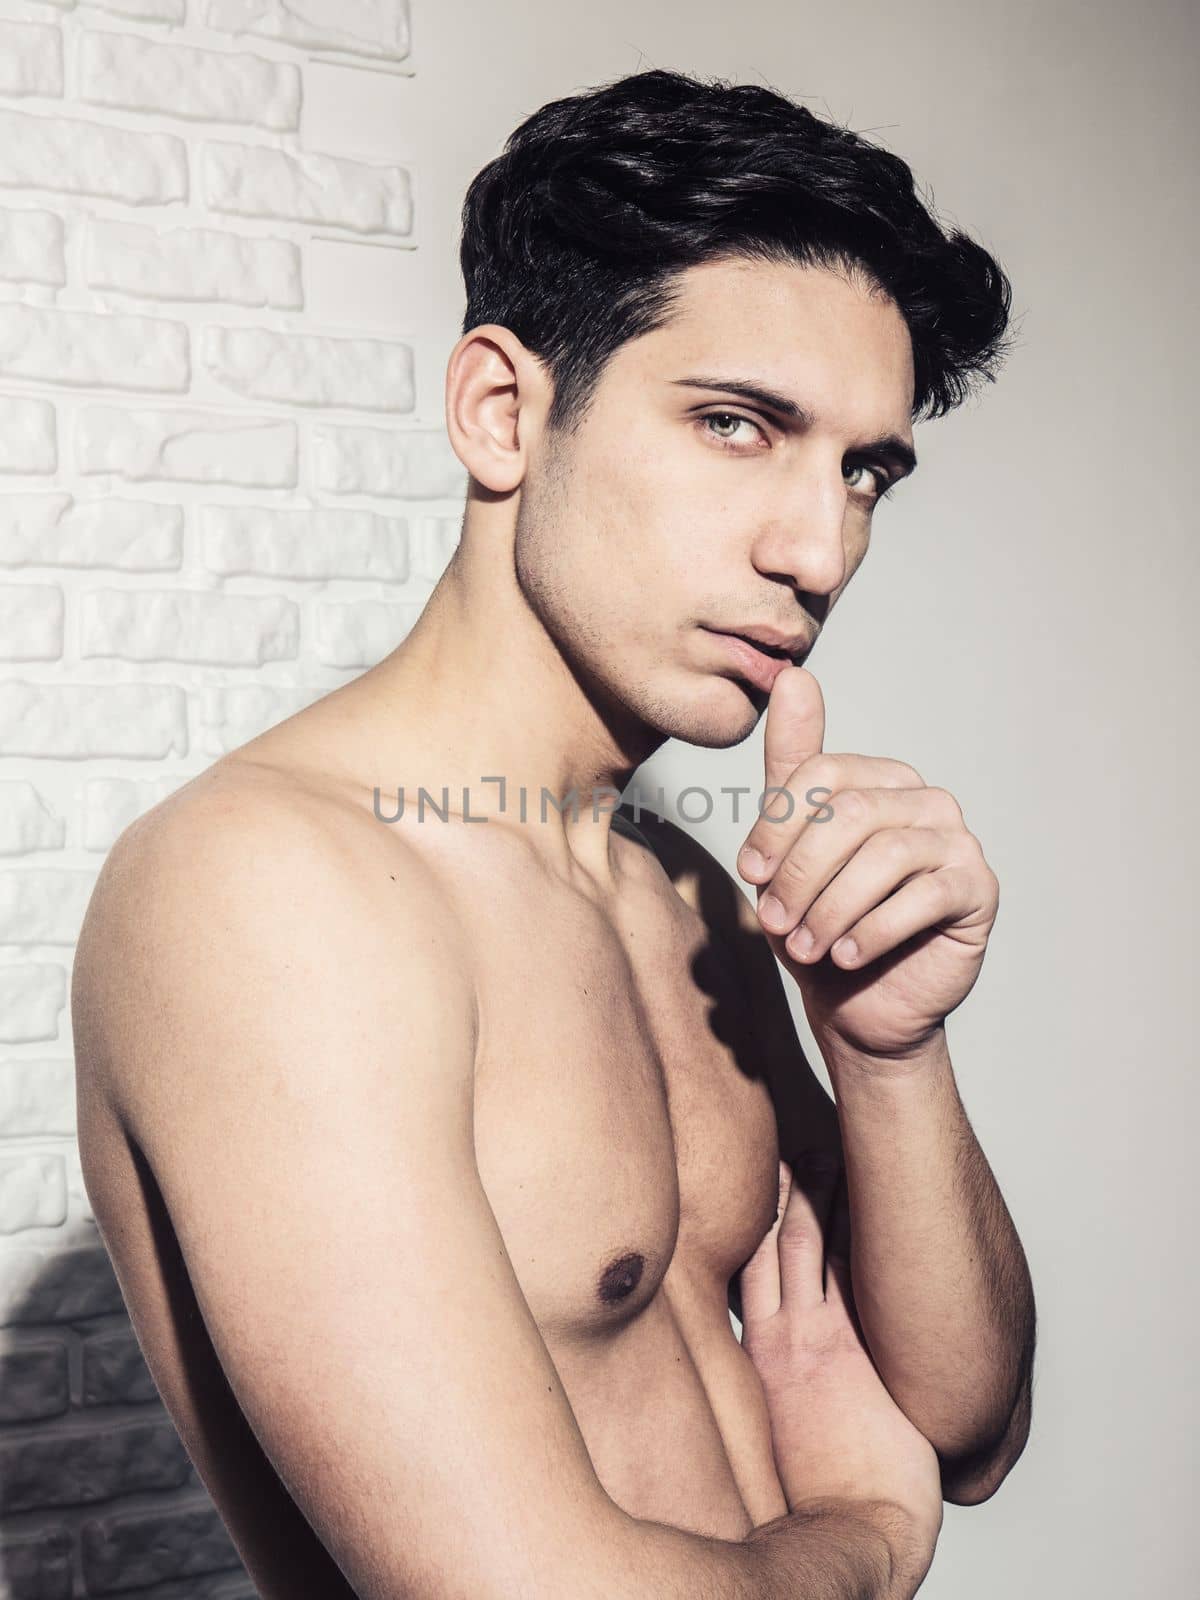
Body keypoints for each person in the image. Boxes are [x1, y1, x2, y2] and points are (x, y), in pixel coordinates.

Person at [72, 68, 1035, 1600]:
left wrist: (890, 1052)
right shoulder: (261, 892)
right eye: (738, 425)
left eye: (861, 472)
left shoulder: (684, 896)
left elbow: (967, 1427)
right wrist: (863, 1537)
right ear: (503, 412)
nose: (820, 548)